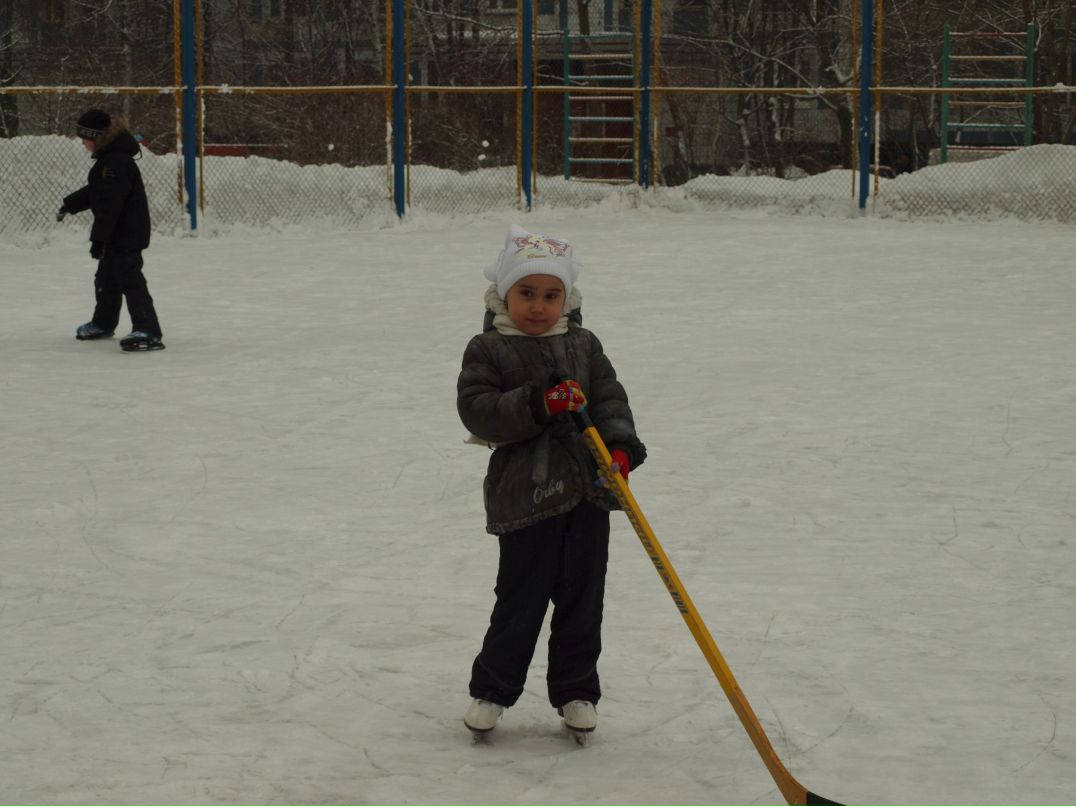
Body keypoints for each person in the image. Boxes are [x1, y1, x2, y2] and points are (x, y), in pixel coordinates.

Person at [456, 223, 646, 739]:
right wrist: (539, 402)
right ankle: (492, 691)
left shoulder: (584, 345)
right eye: (526, 293)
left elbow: (609, 399)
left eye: (550, 295)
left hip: (588, 494)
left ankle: (576, 690)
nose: (538, 306)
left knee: (584, 599)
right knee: (520, 600)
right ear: (504, 293)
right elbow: (478, 412)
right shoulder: (489, 349)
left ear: (567, 297)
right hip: (525, 498)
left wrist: (622, 449)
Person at [58, 109, 165, 352]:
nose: (82, 143)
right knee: (106, 279)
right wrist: (70, 203)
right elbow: (98, 191)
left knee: (130, 279)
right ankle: (104, 322)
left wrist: (98, 240)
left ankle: (148, 330)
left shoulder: (114, 163)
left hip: (125, 233)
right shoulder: (110, 160)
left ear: (94, 136)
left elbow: (109, 206)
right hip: (118, 233)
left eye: (84, 138)